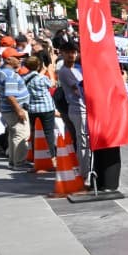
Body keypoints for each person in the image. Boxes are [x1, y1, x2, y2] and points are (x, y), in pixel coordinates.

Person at [56, 38, 92, 180]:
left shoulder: (78, 68)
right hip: (77, 109)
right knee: (82, 142)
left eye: (74, 52)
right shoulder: (64, 71)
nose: (72, 55)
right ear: (62, 53)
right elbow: (78, 90)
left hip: (85, 108)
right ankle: (83, 174)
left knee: (86, 142)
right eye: (68, 52)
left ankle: (86, 169)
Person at [0, 47, 31, 169]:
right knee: (21, 135)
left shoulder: (1, 71)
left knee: (13, 134)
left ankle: (13, 161)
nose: (20, 60)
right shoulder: (9, 74)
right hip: (15, 109)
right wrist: (19, 110)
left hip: (8, 109)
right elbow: (10, 95)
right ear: (9, 59)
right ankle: (19, 163)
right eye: (18, 58)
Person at [21, 55, 58, 169]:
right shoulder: (42, 78)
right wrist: (50, 71)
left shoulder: (24, 78)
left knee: (35, 134)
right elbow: (53, 84)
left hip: (32, 109)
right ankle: (51, 158)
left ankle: (37, 157)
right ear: (38, 65)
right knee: (48, 133)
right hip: (46, 108)